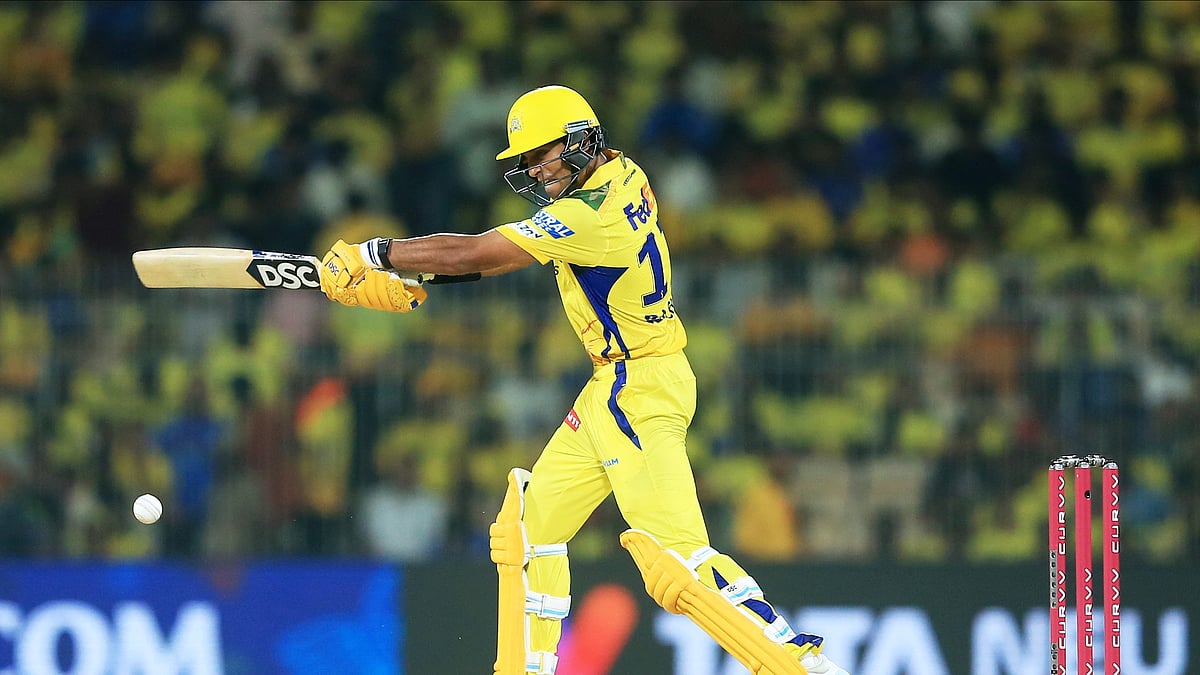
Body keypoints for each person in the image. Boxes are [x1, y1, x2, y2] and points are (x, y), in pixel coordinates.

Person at [317, 85, 847, 675]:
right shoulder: (623, 174)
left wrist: (378, 254)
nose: (535, 171)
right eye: (528, 160)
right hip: (619, 382)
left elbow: (477, 254)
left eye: (544, 154)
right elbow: (495, 258)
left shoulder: (586, 214)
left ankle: (798, 664)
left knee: (678, 561)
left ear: (581, 141)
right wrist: (415, 279)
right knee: (528, 530)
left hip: (636, 389)